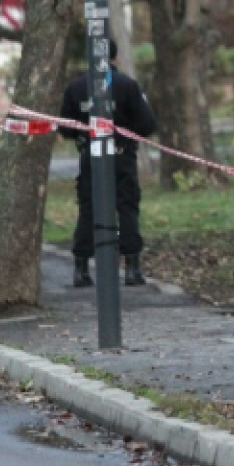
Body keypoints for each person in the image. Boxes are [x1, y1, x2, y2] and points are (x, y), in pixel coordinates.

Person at [59, 39, 158, 289]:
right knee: (126, 207)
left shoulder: (77, 87)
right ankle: (132, 268)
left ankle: (81, 269)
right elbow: (147, 124)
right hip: (121, 156)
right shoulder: (127, 85)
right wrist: (125, 133)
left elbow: (65, 127)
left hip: (90, 155)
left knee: (88, 209)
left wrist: (84, 136)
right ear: (115, 57)